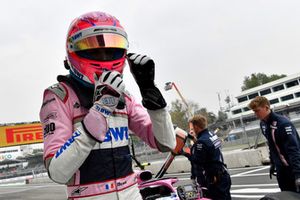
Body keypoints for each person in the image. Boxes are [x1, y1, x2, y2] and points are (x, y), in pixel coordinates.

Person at [39, 11, 176, 200]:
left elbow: (166, 143)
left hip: (132, 194)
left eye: (111, 50)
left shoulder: (124, 95)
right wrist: (99, 112)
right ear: (73, 50)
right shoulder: (59, 97)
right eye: (94, 50)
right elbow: (57, 171)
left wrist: (153, 98)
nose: (104, 58)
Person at [249, 96, 300, 193]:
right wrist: (273, 162)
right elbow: (272, 145)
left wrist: (298, 174)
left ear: (267, 108)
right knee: (285, 195)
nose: (255, 114)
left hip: (293, 168)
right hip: (281, 170)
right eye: (254, 112)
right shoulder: (263, 124)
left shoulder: (283, 123)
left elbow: (294, 150)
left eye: (257, 111)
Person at [183, 115, 231, 200]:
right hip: (224, 175)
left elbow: (198, 161)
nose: (192, 130)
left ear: (196, 126)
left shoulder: (201, 142)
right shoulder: (212, 134)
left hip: (215, 180)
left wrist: (185, 153)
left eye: (192, 127)